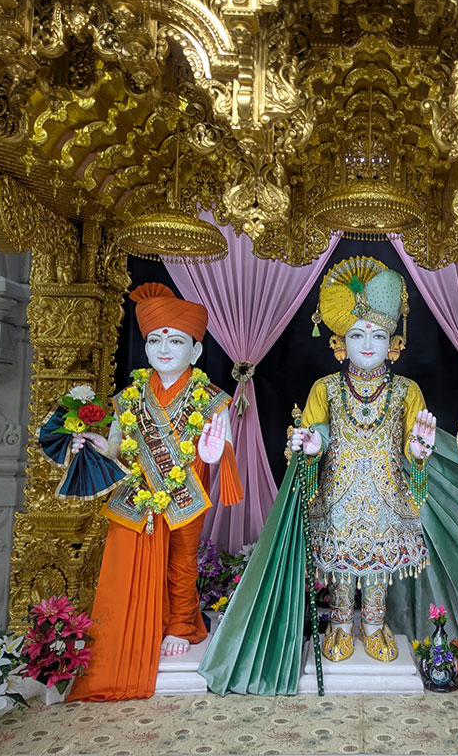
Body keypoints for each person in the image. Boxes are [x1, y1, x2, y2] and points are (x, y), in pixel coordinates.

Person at [41, 283, 243, 701]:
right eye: (155, 340)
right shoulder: (128, 399)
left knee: (182, 561)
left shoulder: (210, 399)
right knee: (137, 567)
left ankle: (179, 627)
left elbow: (221, 448)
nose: (164, 348)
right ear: (146, 347)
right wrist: (96, 444)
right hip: (138, 497)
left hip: (186, 493)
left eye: (175, 340)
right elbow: (117, 446)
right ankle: (141, 626)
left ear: (196, 351)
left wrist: (212, 449)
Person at [291, 256, 436, 662]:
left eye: (376, 335)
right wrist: (311, 445)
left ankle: (373, 625)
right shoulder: (326, 388)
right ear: (340, 343)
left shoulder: (407, 390)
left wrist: (421, 449)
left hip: (387, 497)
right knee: (338, 568)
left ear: (393, 342)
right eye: (357, 336)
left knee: (376, 568)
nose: (367, 345)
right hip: (337, 497)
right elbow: (313, 431)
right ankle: (338, 625)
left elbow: (414, 444)